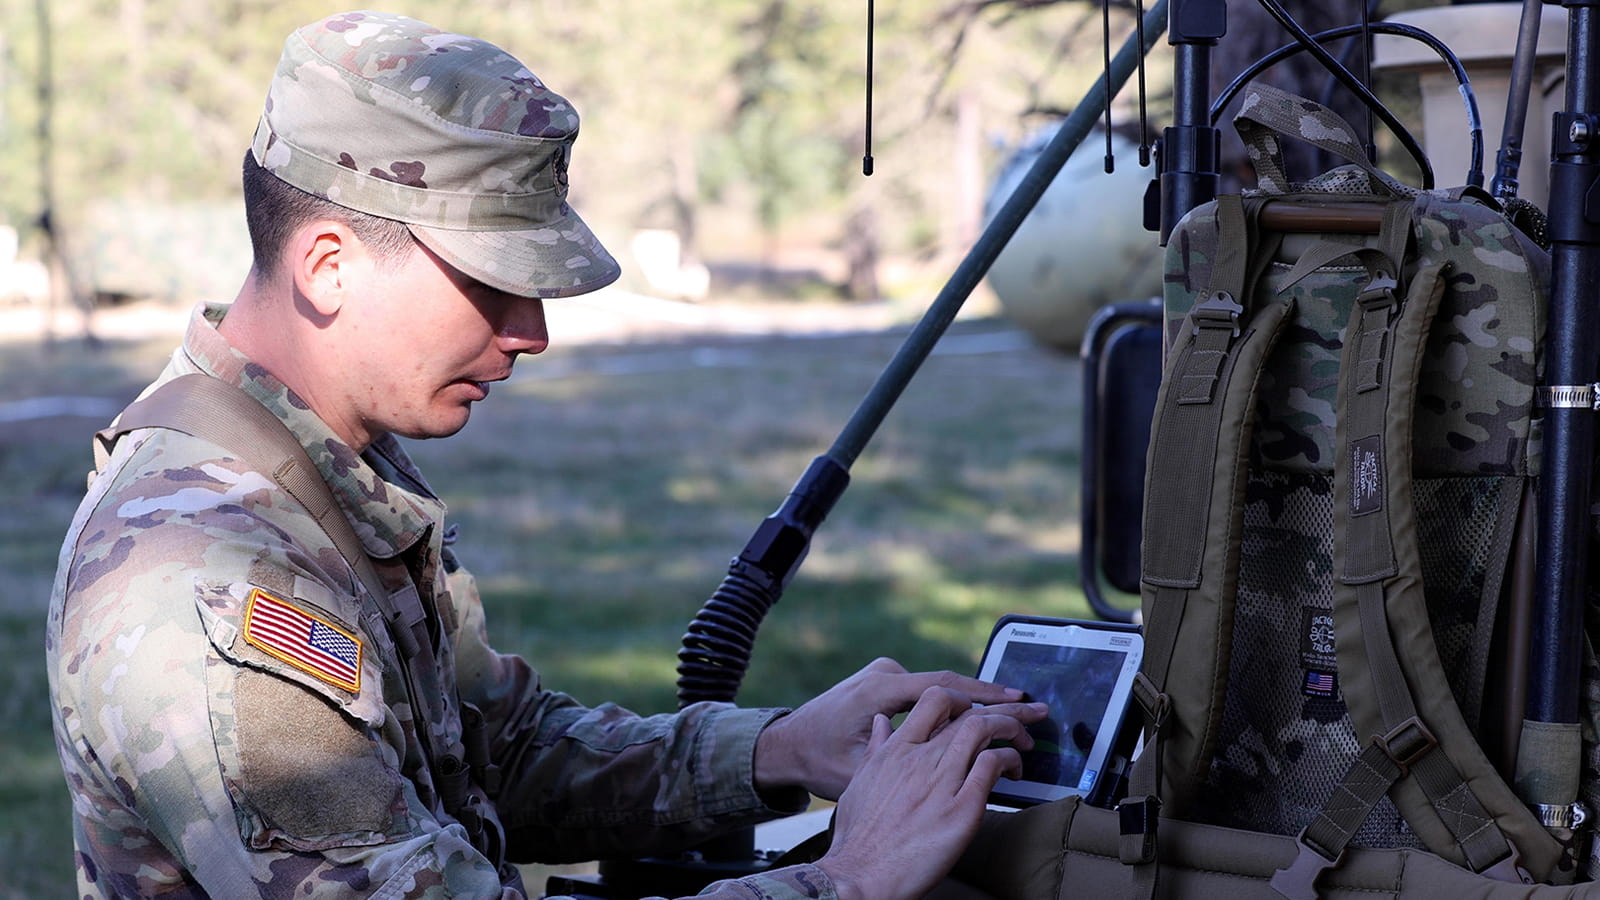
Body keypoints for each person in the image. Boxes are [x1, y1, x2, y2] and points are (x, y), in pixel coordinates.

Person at [44, 11, 1046, 900]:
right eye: (493, 281)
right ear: (329, 267)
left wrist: (781, 748)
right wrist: (848, 877)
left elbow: (496, 754)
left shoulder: (323, 472)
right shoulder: (205, 575)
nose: (531, 332)